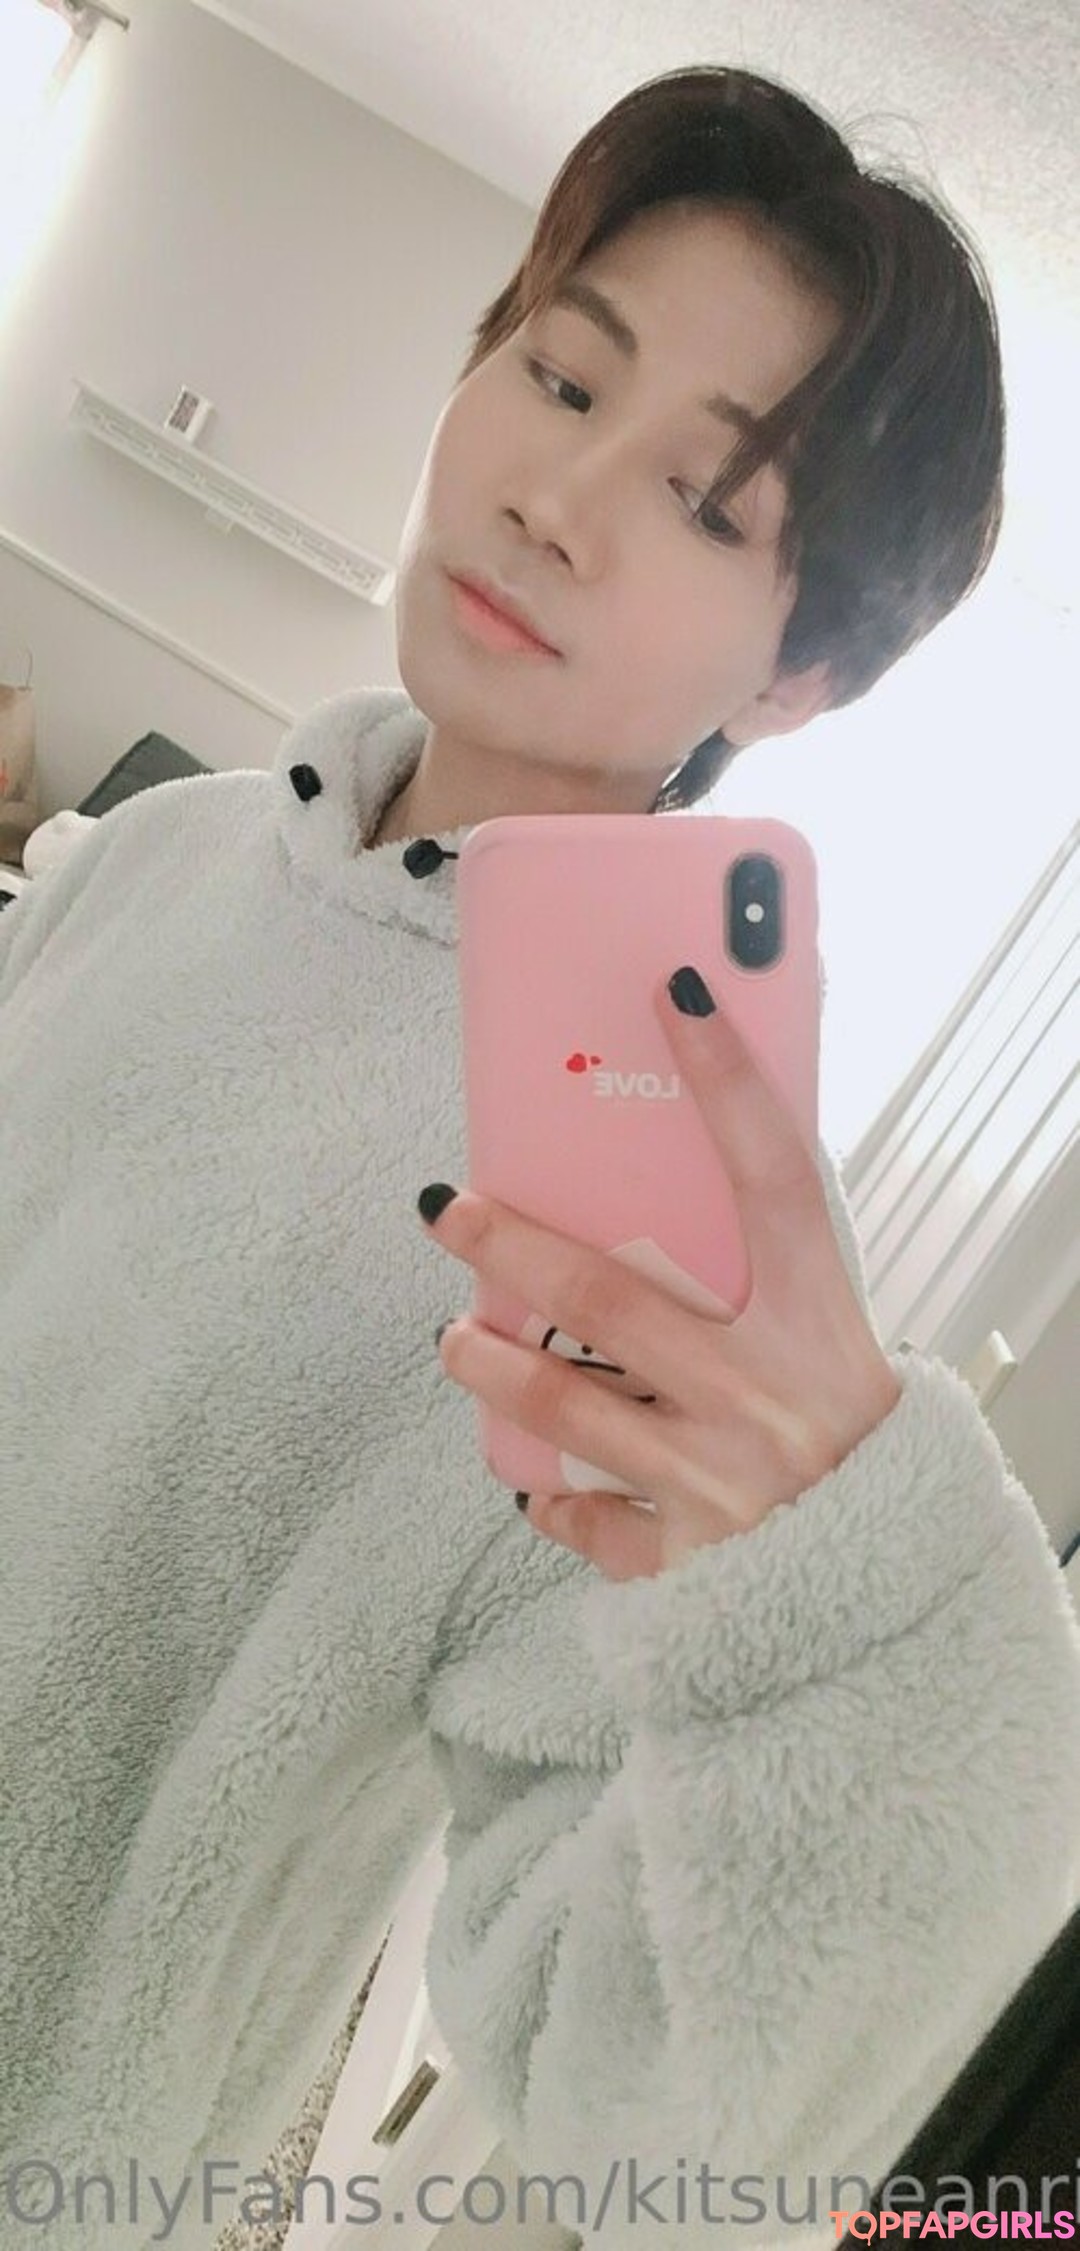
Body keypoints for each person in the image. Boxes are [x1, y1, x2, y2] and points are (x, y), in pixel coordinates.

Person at [2, 61, 1078, 2251]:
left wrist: (856, 1607)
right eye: (562, 376)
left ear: (806, 674)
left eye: (707, 502)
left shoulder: (658, 1242)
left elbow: (655, 2112)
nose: (558, 498)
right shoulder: (166, 855)